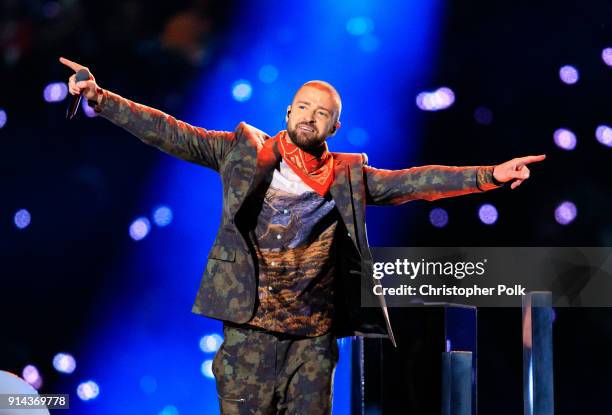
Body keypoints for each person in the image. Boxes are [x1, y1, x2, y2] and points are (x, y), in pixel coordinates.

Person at [60, 56, 545, 415]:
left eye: (321, 112)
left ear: (335, 125)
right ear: (288, 113)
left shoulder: (347, 175)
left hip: (311, 338)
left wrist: (490, 175)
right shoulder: (243, 152)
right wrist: (101, 99)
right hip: (249, 329)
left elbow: (417, 182)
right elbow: (170, 132)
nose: (310, 116)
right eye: (303, 107)